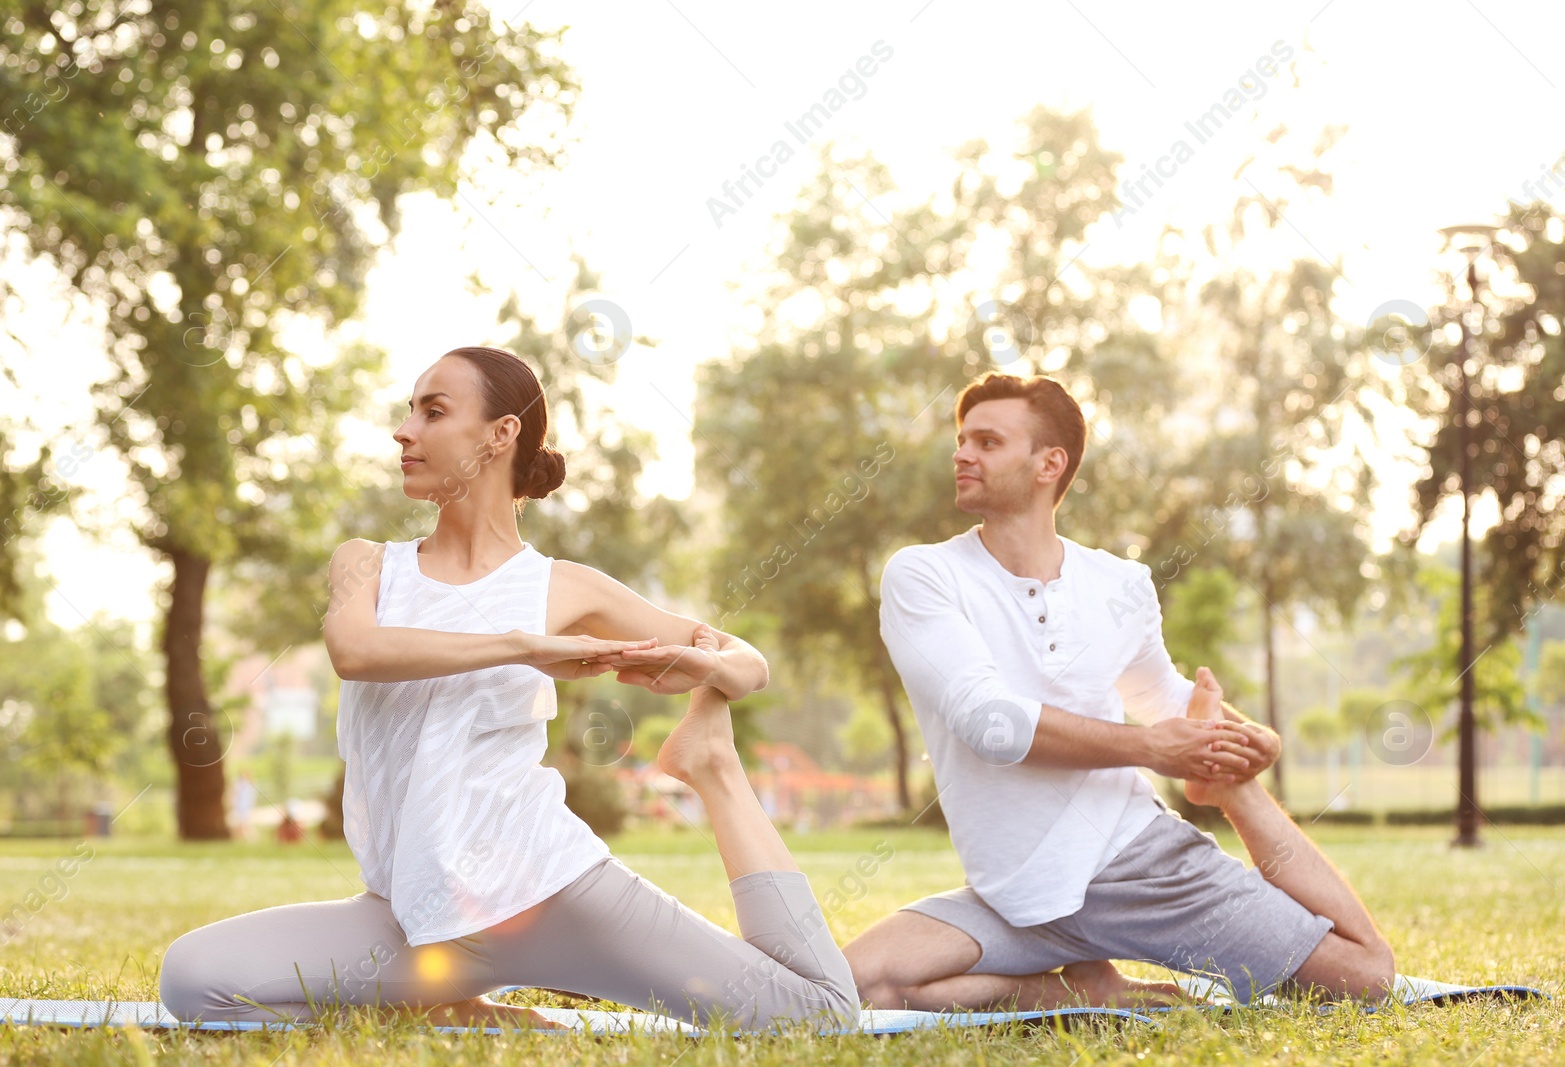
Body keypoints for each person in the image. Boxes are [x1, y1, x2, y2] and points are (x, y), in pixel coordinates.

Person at [159, 346, 859, 1033]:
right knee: (193, 977)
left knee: (816, 1014)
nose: (404, 431)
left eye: (433, 411)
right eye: (408, 412)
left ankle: (715, 768)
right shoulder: (367, 565)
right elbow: (356, 652)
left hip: (553, 891)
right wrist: (526, 645)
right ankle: (439, 994)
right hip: (413, 918)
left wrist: (704, 675)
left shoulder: (563, 586)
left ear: (501, 434)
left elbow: (746, 661)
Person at [842, 372, 1395, 1011]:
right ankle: (1081, 994)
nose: (963, 454)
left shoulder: (1120, 584)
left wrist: (1244, 740)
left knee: (1366, 979)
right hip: (1020, 896)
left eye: (988, 442)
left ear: (1050, 463)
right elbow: (990, 723)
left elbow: (1163, 696)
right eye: (962, 440)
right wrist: (1154, 750)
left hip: (1140, 865)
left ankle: (1235, 798)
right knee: (857, 986)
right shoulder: (924, 575)